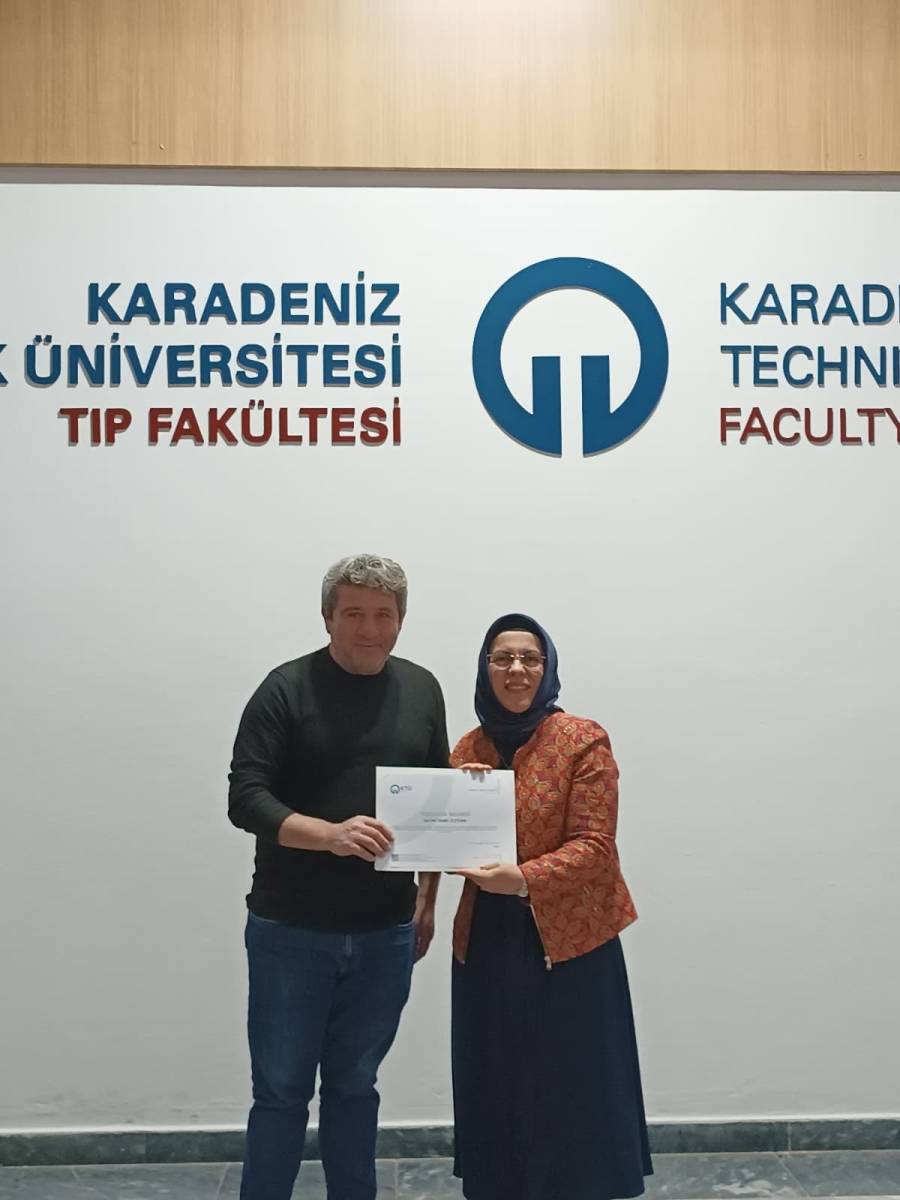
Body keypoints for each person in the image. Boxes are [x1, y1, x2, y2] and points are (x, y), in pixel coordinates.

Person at [228, 553, 449, 1200]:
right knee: (281, 1092)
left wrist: (428, 899)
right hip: (290, 931)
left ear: (401, 620)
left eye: (383, 615)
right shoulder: (285, 689)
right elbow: (246, 798)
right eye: (353, 614)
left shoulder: (423, 689)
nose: (368, 629)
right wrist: (330, 835)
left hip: (386, 932)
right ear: (327, 617)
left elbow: (435, 799)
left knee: (356, 1089)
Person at [449, 613, 652, 1200]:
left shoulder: (582, 739)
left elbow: (595, 846)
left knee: (572, 1076)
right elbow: (446, 844)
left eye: (529, 658)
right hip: (488, 937)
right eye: (502, 657)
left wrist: (522, 879)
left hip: (572, 941)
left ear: (548, 667)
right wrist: (456, 794)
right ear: (485, 669)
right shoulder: (467, 747)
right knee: (496, 1069)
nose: (516, 669)